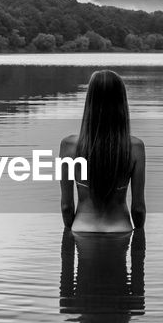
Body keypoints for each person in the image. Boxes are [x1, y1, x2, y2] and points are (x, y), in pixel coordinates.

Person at [60, 69, 145, 233]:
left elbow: (66, 206)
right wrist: (139, 241)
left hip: (82, 229)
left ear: (89, 100)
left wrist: (69, 239)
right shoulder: (135, 147)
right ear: (121, 102)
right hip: (121, 230)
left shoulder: (68, 146)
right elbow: (138, 208)